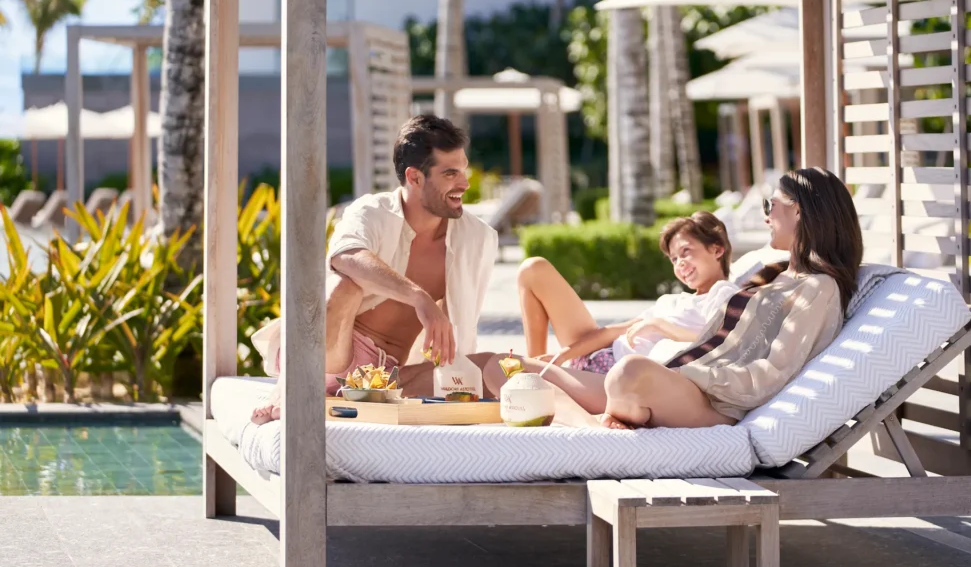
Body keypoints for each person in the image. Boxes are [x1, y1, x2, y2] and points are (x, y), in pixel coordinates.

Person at [483, 167, 862, 430]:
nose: (766, 216)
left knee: (629, 373)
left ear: (798, 211)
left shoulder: (819, 288)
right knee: (502, 367)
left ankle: (613, 413)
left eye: (770, 205)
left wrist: (686, 373)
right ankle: (593, 426)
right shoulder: (775, 274)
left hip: (712, 401)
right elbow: (712, 341)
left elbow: (772, 373)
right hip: (675, 382)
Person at [251, 114, 499, 424]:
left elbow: (462, 327)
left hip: (390, 376)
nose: (464, 183)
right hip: (330, 353)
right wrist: (419, 297)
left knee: (489, 367)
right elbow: (346, 255)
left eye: (463, 170)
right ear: (415, 177)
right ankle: (293, 385)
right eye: (450, 173)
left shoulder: (477, 238)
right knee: (345, 284)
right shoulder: (371, 211)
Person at [517, 212, 739, 375]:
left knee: (506, 370)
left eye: (686, 251)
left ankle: (533, 380)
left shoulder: (725, 294)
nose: (679, 263)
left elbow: (719, 342)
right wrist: (563, 355)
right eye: (674, 258)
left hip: (614, 376)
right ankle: (533, 373)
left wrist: (659, 325)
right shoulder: (674, 301)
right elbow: (616, 331)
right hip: (598, 353)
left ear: (717, 249)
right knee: (532, 269)